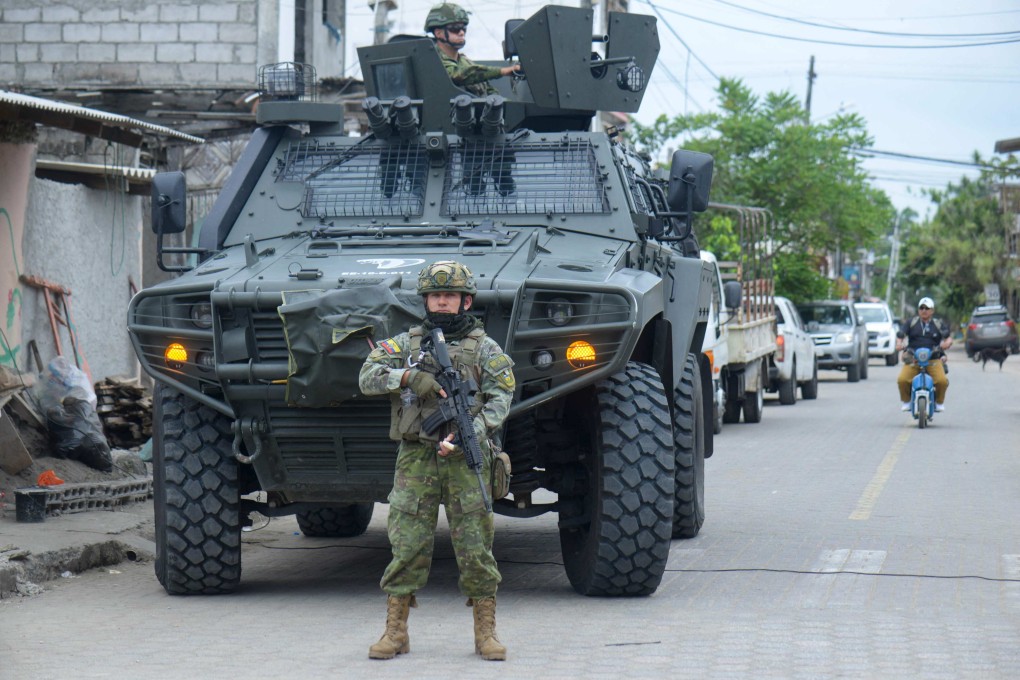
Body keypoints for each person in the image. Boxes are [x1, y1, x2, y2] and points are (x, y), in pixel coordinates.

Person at [359, 260, 515, 662]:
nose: (442, 301)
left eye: (450, 296)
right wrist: (408, 378)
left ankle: (486, 632)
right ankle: (395, 631)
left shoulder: (486, 349)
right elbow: (367, 375)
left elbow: (501, 399)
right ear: (426, 300)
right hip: (416, 459)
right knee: (407, 544)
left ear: (465, 302)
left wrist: (469, 434)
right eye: (435, 295)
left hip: (466, 458)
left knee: (476, 546)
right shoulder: (406, 345)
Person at [425, 3, 520, 96]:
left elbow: (489, 91)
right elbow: (457, 75)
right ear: (438, 33)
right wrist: (502, 71)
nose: (461, 33)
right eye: (455, 28)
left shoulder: (466, 63)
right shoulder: (431, 60)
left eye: (463, 28)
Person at [895, 296, 952, 412]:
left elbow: (948, 338)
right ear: (918, 310)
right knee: (902, 379)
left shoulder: (938, 324)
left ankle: (939, 402)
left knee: (942, 381)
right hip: (913, 358)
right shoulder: (911, 322)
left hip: (933, 358)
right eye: (921, 308)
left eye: (927, 308)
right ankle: (907, 401)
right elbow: (900, 335)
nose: (924, 310)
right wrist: (899, 344)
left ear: (932, 311)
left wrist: (947, 343)